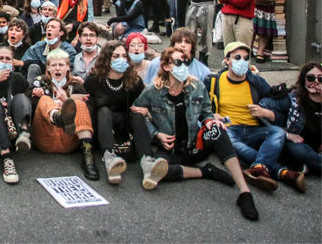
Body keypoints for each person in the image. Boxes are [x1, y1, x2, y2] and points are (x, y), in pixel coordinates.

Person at [133, 47, 259, 220]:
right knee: (156, 171)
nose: (183, 66)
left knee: (217, 130)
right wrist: (156, 134)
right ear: (167, 66)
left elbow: (206, 112)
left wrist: (209, 121)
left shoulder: (196, 86)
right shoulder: (153, 91)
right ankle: (206, 172)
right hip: (171, 148)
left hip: (195, 145)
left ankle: (245, 193)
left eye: (185, 62)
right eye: (178, 62)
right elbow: (136, 113)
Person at [206, 42, 304, 192]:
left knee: (277, 132)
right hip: (230, 129)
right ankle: (282, 172)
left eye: (246, 58)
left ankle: (258, 168)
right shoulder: (214, 81)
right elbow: (201, 107)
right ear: (227, 60)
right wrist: (212, 114)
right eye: (237, 57)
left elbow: (277, 106)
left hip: (254, 129)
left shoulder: (256, 81)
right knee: (236, 145)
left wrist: (267, 113)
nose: (242, 62)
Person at [84, 41, 167, 188]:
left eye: (123, 56)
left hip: (125, 127)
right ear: (107, 59)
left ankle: (147, 162)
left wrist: (145, 110)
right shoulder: (93, 80)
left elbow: (146, 103)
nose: (121, 59)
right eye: (116, 56)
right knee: (104, 111)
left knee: (136, 113)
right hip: (103, 127)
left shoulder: (133, 80)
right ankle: (109, 159)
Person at [29, 48, 99, 180]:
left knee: (78, 103)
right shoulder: (39, 81)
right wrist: (34, 95)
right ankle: (57, 116)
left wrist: (67, 101)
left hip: (69, 139)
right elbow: (26, 106)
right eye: (53, 65)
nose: (57, 69)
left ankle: (87, 154)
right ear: (48, 68)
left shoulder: (76, 84)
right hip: (45, 137)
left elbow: (89, 110)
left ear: (68, 67)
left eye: (61, 65)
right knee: (45, 99)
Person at [0, 45, 33, 183]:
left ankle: (24, 134)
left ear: (12, 63)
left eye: (8, 59)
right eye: (0, 58)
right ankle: (7, 158)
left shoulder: (17, 78)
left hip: (13, 126)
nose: (4, 61)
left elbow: (29, 94)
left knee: (21, 97)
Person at [258, 63, 321, 176]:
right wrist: (286, 134)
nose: (316, 81)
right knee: (299, 151)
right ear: (303, 79)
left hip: (318, 147)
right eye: (311, 78)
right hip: (297, 145)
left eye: (320, 78)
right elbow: (262, 106)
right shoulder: (292, 98)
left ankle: (307, 166)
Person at [22, 18, 77, 85]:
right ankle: (31, 92)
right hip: (39, 80)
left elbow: (70, 70)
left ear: (61, 33)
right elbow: (25, 62)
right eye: (48, 27)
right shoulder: (38, 47)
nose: (49, 29)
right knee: (33, 67)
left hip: (60, 81)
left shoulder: (68, 50)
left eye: (53, 27)